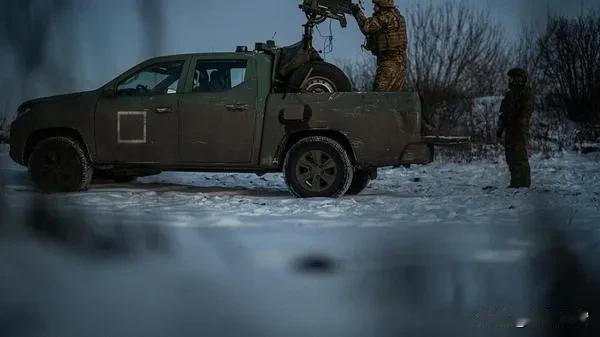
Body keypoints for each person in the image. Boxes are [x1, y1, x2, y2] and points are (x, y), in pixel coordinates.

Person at [351, 0, 407, 92]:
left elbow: (367, 27)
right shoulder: (398, 17)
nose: (374, 8)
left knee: (378, 98)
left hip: (389, 65)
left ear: (382, 5)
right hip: (400, 66)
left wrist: (357, 12)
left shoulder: (386, 17)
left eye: (376, 5)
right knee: (392, 100)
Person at [497, 68, 535, 188]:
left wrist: (520, 125)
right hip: (510, 130)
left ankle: (524, 183)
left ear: (520, 78)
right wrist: (500, 128)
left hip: (519, 129)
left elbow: (526, 111)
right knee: (510, 156)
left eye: (513, 78)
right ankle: (515, 182)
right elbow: (503, 113)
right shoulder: (509, 95)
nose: (511, 80)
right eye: (510, 78)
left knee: (520, 156)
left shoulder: (526, 93)